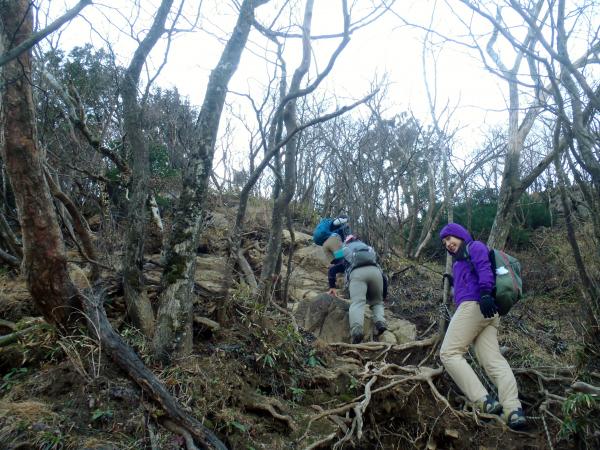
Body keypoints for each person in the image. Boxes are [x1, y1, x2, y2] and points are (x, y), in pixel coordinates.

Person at [439, 223, 526, 430]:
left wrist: (486, 292)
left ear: (460, 235)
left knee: (449, 353)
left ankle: (483, 400)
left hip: (476, 305)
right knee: (493, 361)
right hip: (487, 313)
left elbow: (484, 268)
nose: (448, 244)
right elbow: (468, 282)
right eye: (444, 242)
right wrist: (453, 282)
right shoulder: (459, 263)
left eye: (450, 238)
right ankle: (513, 410)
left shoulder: (475, 247)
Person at [328, 234, 387, 344]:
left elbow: (334, 259)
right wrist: (384, 295)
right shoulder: (369, 249)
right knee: (377, 302)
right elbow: (383, 277)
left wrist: (333, 284)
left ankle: (357, 331)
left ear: (347, 241)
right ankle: (380, 322)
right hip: (376, 273)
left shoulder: (345, 249)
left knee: (357, 303)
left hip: (357, 274)